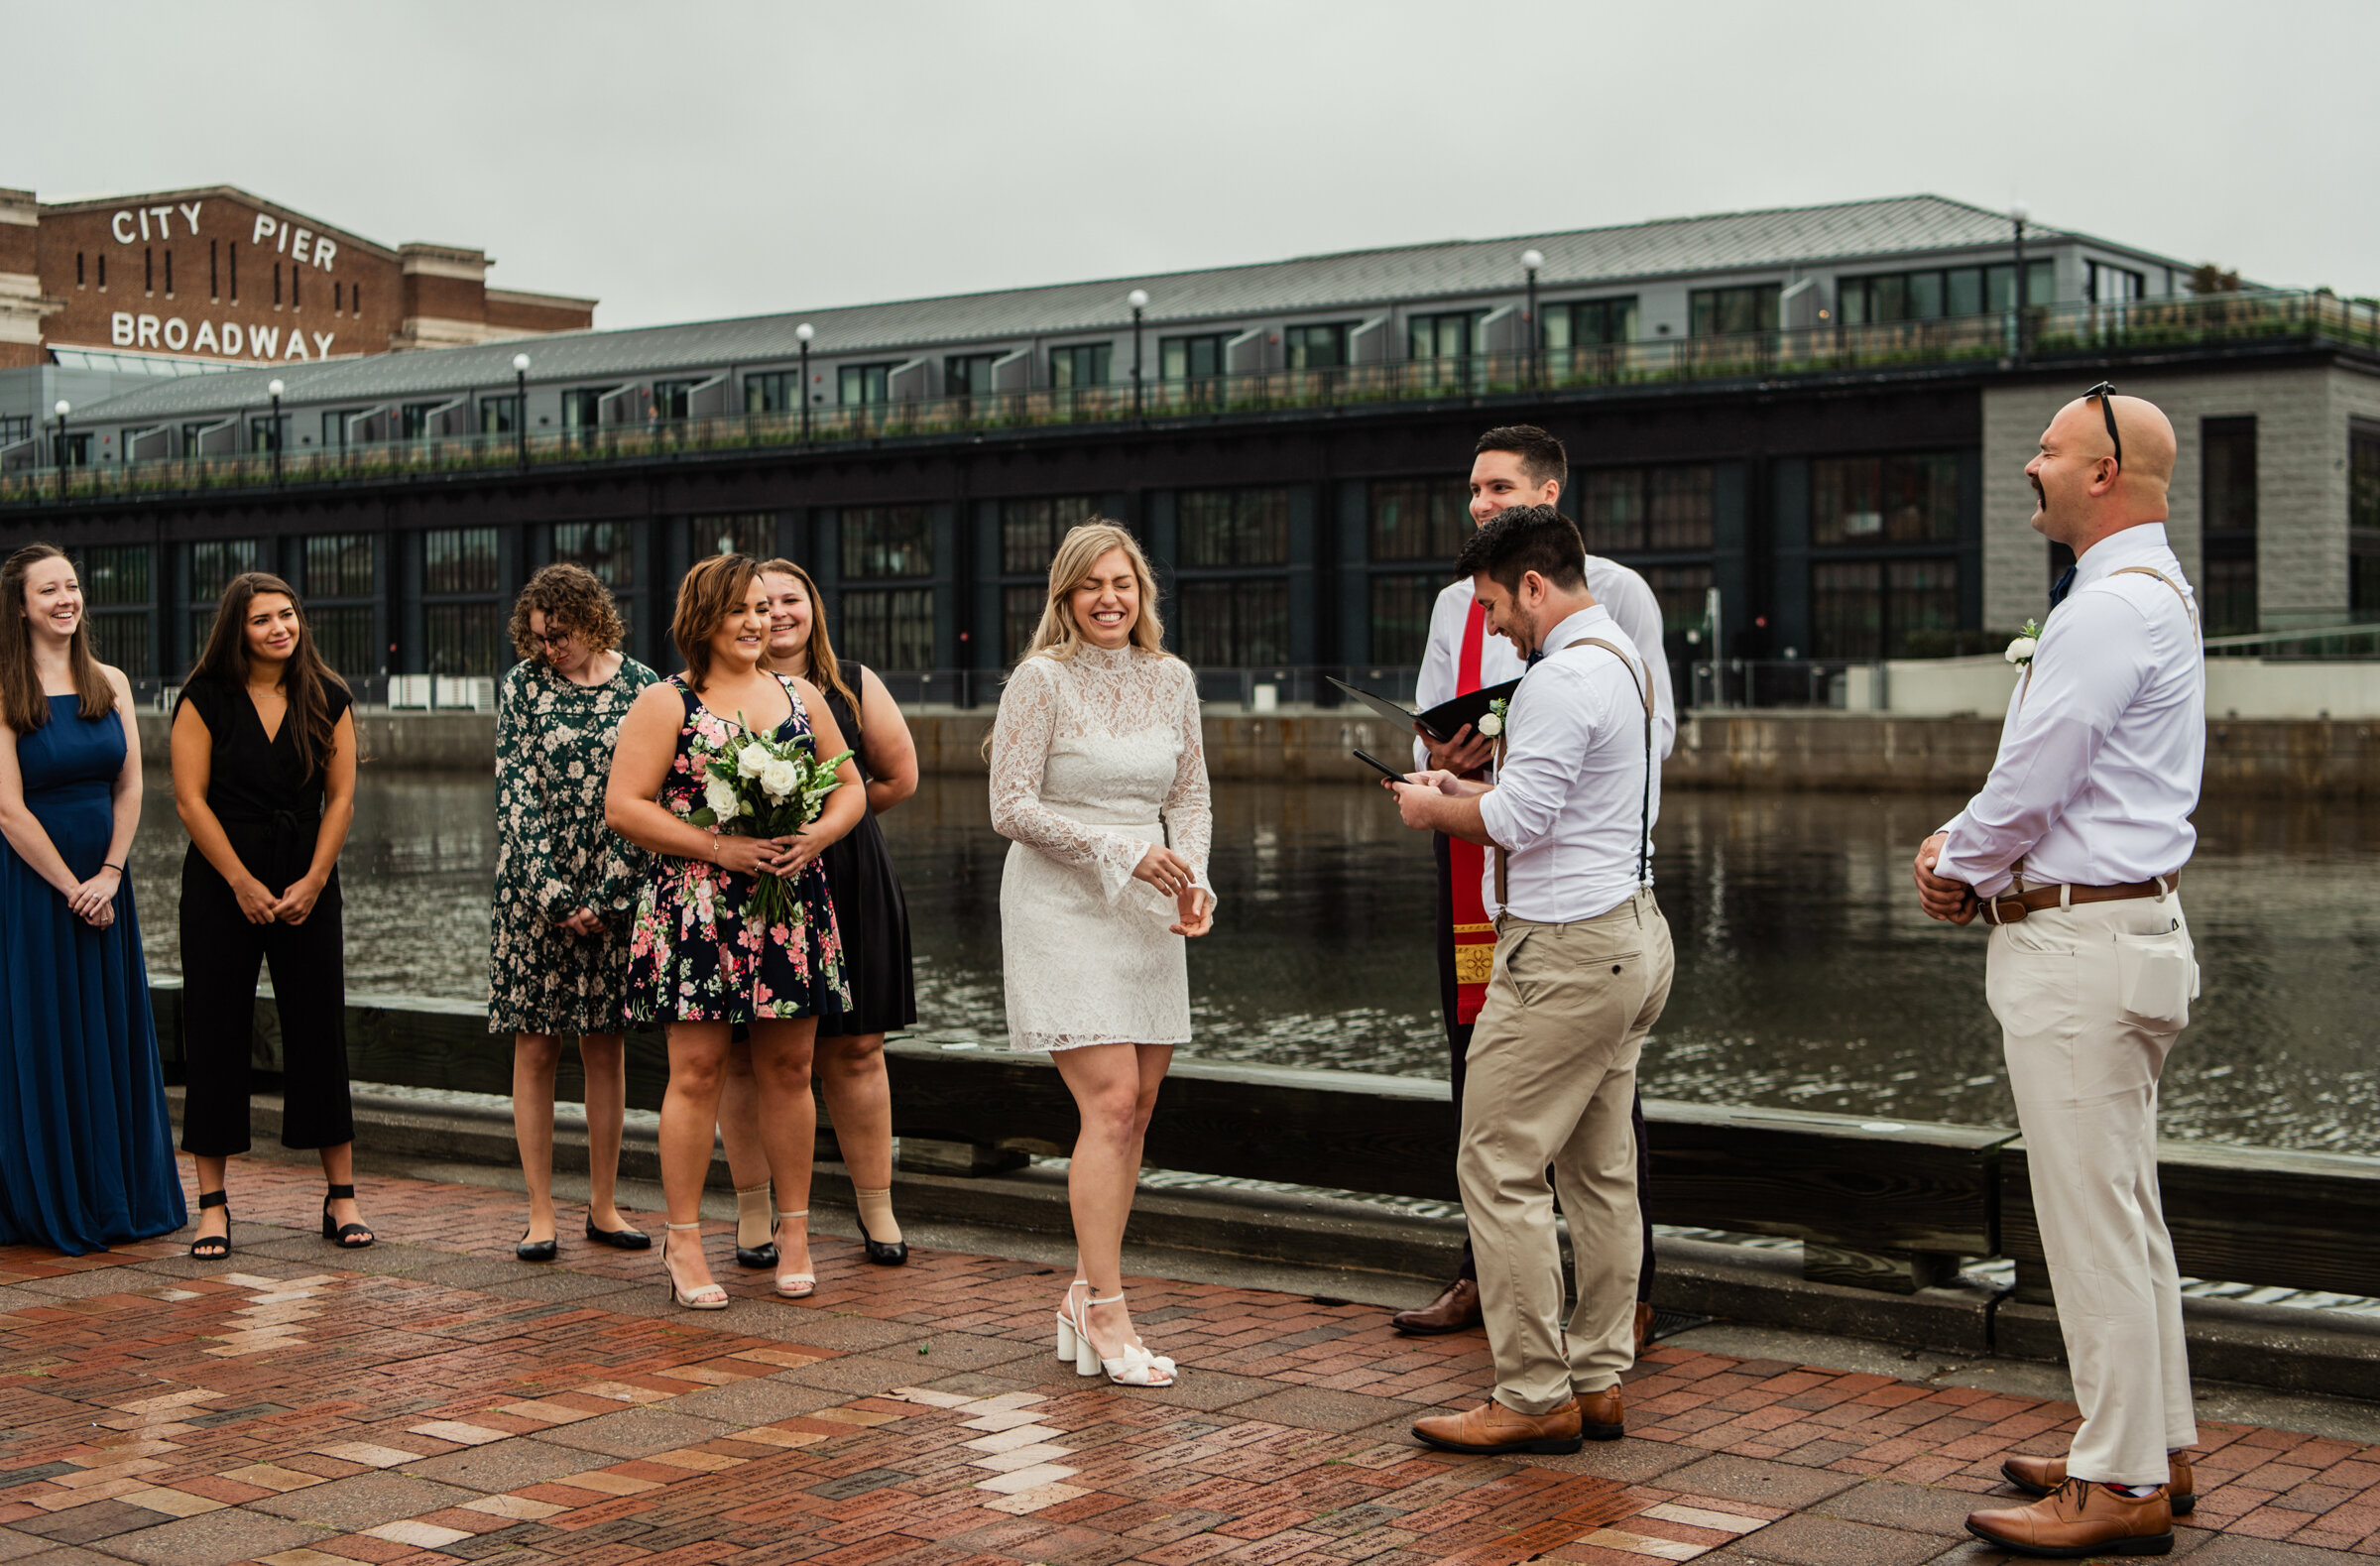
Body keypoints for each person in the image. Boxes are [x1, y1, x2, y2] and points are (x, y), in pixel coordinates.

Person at [1915, 388, 2202, 1558]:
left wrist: (1952, 863)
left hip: (2080, 945)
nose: (2029, 465)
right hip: (2128, 934)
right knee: (2125, 1215)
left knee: (2089, 1225)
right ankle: (2152, 1443)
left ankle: (2120, 1480)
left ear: (2104, 473)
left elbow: (2037, 779)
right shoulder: (2157, 597)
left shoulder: (2103, 613)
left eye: (2047, 450)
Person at [1389, 505, 1671, 1456]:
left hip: (1564, 954)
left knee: (1498, 1163)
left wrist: (1437, 809)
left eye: (1497, 606)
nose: (1495, 626)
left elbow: (1519, 824)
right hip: (1635, 934)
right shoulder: (1624, 662)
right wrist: (1474, 792)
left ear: (1537, 585)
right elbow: (1550, 803)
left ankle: (1530, 1390)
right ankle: (1597, 1379)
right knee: (1598, 1172)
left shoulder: (1555, 678)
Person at [989, 520, 1214, 1387]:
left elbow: (1190, 795)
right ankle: (1112, 1309)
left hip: (1149, 907)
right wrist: (1121, 850)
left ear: (1141, 592)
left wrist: (1195, 880)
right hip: (1060, 903)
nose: (1109, 598)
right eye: (1092, 585)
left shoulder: (1173, 679)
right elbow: (1011, 806)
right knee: (1111, 1102)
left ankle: (1085, 1293)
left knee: (1142, 1105)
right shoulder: (1039, 681)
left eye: (1123, 583)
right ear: (1066, 596)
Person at [606, 553, 864, 1309]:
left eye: (764, 608)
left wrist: (816, 836)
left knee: (789, 1071)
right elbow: (626, 805)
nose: (760, 622)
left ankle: (796, 1232)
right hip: (697, 907)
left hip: (788, 903)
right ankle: (682, 1239)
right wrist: (720, 846)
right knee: (696, 1074)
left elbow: (849, 786)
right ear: (704, 620)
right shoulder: (667, 701)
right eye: (741, 610)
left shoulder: (800, 693)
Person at [716, 558, 920, 1270]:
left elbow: (896, 776)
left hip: (847, 874)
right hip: (749, 884)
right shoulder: (714, 695)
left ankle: (877, 1209)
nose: (776, 612)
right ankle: (751, 1213)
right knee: (746, 1057)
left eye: (790, 598)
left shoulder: (854, 685)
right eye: (759, 602)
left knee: (857, 1048)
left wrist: (829, 824)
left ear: (813, 606)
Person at [173, 571, 369, 1258]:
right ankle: (213, 1205)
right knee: (215, 1031)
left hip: (308, 878)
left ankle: (341, 1195)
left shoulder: (329, 695)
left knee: (319, 1029)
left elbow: (342, 798)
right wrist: (241, 882)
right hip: (223, 881)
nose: (280, 628)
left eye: (287, 614)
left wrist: (314, 879)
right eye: (262, 620)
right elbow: (191, 800)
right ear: (237, 629)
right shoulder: (204, 698)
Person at [0, 544, 185, 1255]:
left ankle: (117, 1195)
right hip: (32, 884)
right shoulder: (3, 690)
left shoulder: (109, 679)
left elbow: (132, 786)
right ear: (20, 606)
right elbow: (9, 810)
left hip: (106, 886)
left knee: (107, 1031)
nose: (65, 599)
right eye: (48, 590)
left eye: (72, 586)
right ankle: (51, 1196)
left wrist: (109, 873)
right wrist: (70, 885)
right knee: (42, 1029)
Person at [491, 563, 660, 1263]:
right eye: (536, 638)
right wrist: (555, 895)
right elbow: (514, 794)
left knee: (605, 1046)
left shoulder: (645, 685)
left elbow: (658, 792)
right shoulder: (522, 687)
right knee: (536, 1043)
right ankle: (538, 1211)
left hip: (616, 888)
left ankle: (602, 1204)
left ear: (591, 621)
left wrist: (612, 892)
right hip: (535, 895)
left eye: (557, 635)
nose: (547, 649)